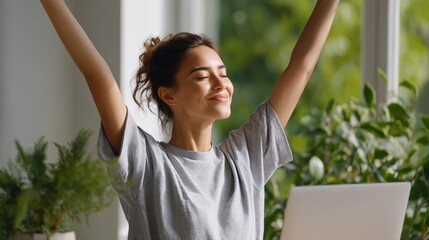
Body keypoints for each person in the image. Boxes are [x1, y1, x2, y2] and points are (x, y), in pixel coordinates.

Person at [40, 0, 339, 239]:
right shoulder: (146, 164)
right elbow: (98, 76)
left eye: (222, 73)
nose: (221, 84)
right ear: (169, 95)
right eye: (202, 77)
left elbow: (302, 67)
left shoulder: (245, 160)